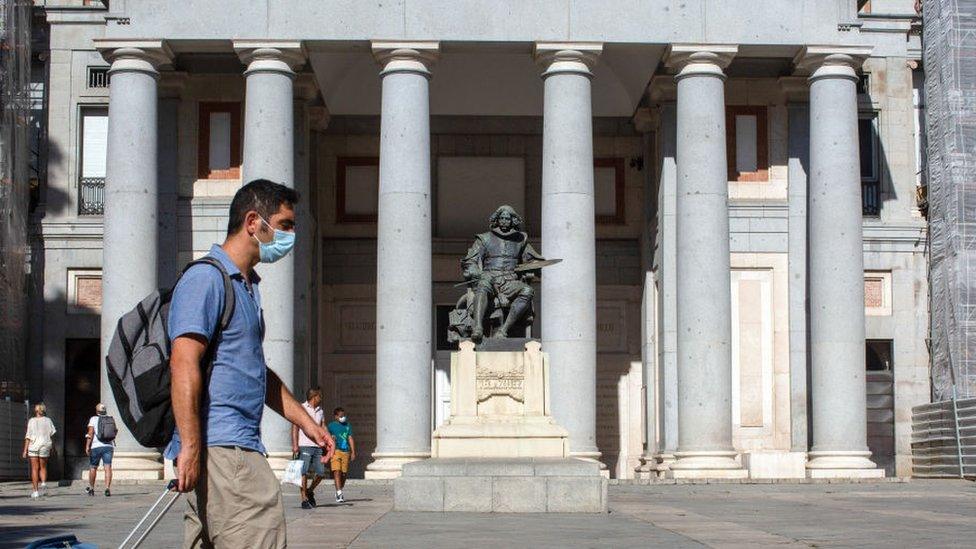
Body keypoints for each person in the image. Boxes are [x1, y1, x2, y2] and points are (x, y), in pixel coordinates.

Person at [166, 179, 334, 549]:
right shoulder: (207, 279)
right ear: (254, 221)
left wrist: (307, 423)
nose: (291, 235)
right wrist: (191, 448)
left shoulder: (245, 286)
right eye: (286, 225)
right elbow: (183, 363)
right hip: (226, 450)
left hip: (230, 449)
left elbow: (257, 374)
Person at [291, 387, 333, 509]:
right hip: (304, 445)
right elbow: (295, 428)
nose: (321, 398)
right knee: (303, 472)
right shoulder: (301, 408)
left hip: (318, 446)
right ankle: (304, 498)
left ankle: (310, 490)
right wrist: (295, 445)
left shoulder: (320, 411)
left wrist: (329, 438)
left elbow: (323, 426)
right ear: (314, 397)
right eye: (320, 396)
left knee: (320, 472)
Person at [23, 403, 56, 499]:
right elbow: (52, 434)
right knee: (43, 466)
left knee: (34, 468)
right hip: (45, 445)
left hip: (33, 446)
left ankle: (35, 491)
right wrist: (53, 447)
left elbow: (28, 436)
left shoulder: (31, 421)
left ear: (36, 411)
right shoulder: (48, 420)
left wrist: (25, 450)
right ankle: (44, 483)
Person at [85, 403, 115, 496]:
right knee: (108, 467)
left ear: (97, 411)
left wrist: (87, 446)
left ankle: (92, 488)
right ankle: (107, 488)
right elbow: (114, 431)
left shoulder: (93, 419)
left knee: (93, 467)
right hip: (109, 446)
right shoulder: (111, 419)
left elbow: (90, 433)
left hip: (96, 447)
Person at [327, 406, 355, 503]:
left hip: (345, 451)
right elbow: (326, 436)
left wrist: (353, 452)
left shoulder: (348, 426)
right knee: (337, 471)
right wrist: (331, 437)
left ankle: (339, 489)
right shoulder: (331, 426)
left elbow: (350, 438)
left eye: (344, 415)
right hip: (335, 451)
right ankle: (339, 493)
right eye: (340, 416)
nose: (343, 417)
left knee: (344, 473)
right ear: (335, 416)